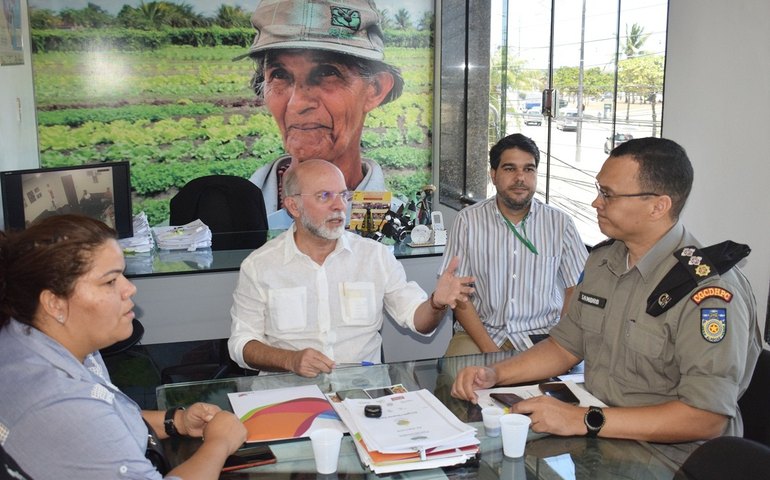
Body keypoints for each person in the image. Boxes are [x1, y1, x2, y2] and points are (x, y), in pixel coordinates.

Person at [451, 137, 761, 461]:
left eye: (608, 195)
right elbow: (564, 346)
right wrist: (496, 374)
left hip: (666, 459)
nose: (595, 203)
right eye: (599, 190)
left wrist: (582, 419)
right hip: (596, 441)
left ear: (659, 206)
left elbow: (706, 418)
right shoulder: (602, 262)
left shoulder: (708, 293)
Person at [0, 215, 247, 480]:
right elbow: (85, 418)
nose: (129, 289)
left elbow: (108, 412)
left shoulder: (27, 336)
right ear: (55, 304)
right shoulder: (62, 404)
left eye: (123, 275)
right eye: (110, 281)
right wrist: (219, 443)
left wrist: (175, 421)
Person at [229, 159, 475, 378]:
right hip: (289, 394)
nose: (339, 206)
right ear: (293, 207)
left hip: (361, 393)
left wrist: (436, 303)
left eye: (344, 195)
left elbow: (418, 321)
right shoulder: (260, 265)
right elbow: (241, 344)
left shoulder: (374, 256)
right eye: (324, 196)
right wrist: (290, 360)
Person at [241, 0, 404, 223]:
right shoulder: (229, 216)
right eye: (279, 75)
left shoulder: (398, 225)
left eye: (328, 73)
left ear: (374, 89)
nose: (296, 104)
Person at [439, 133, 588, 355]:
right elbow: (458, 293)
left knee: (548, 385)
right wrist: (490, 350)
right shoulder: (468, 220)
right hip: (481, 331)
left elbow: (576, 288)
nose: (520, 178)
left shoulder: (560, 223)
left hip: (542, 334)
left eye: (529, 169)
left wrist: (562, 339)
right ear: (493, 175)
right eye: (510, 169)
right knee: (457, 377)